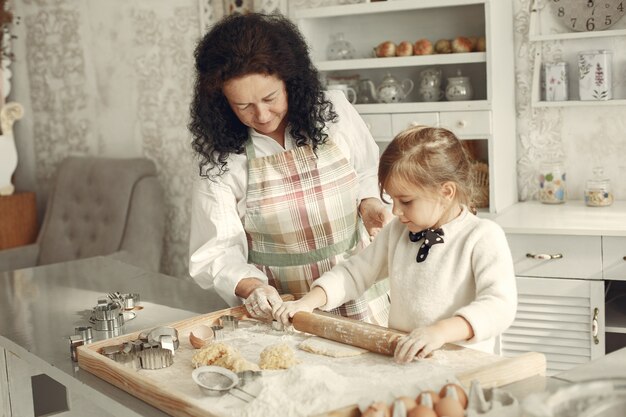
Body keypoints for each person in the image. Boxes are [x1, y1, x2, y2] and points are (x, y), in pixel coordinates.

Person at [188, 12, 392, 324]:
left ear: (290, 81)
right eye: (243, 106)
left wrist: (369, 202)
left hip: (364, 295)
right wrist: (254, 288)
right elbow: (216, 252)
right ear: (222, 103)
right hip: (288, 313)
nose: (262, 114)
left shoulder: (332, 112)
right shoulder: (221, 159)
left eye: (270, 98)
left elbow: (366, 170)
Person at [274, 125, 517, 363]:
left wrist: (440, 332)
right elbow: (355, 272)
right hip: (407, 361)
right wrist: (307, 303)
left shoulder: (482, 236)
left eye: (406, 201)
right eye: (392, 199)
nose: (396, 210)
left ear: (447, 192)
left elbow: (499, 306)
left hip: (465, 367)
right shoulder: (398, 232)